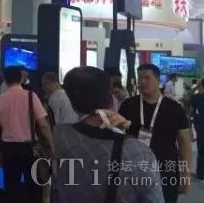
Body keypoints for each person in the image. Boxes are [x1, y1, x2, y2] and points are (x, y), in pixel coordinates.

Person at [53, 66, 163, 203]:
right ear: (110, 99)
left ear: (71, 103)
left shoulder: (57, 137)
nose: (143, 82)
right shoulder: (140, 153)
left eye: (147, 78)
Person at [119, 64, 192, 203]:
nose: (142, 82)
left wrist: (186, 172)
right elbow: (118, 133)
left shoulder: (174, 108)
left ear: (158, 80)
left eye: (147, 78)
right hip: (133, 167)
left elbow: (184, 142)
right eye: (140, 78)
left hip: (166, 168)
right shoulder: (128, 105)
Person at [0, 66, 53, 202]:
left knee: (11, 187)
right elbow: (43, 125)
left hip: (8, 148)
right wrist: (51, 145)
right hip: (29, 148)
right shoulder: (31, 96)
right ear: (21, 78)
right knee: (33, 187)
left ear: (5, 80)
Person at [191, 79, 204, 181]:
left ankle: (200, 174)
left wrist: (196, 86)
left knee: (201, 151)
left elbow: (189, 96)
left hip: (201, 127)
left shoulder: (198, 97)